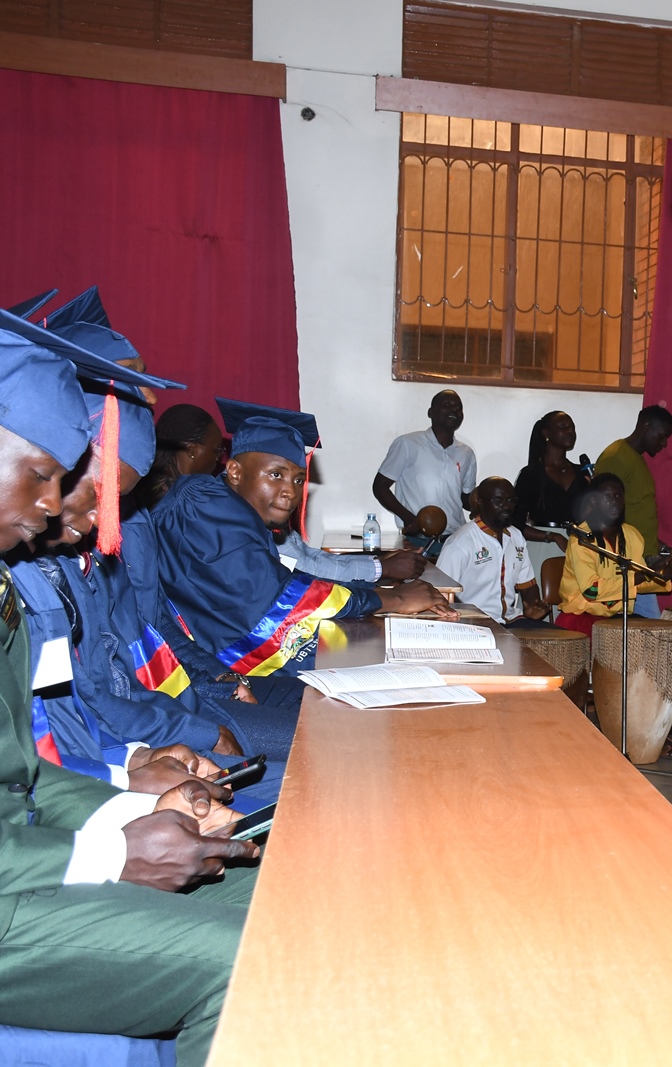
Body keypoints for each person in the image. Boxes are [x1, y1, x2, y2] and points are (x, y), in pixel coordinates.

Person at [0, 310, 258, 1065]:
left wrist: (139, 801)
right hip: (17, 902)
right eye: (45, 474)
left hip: (28, 866)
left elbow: (23, 779)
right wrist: (110, 851)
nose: (56, 506)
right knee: (256, 960)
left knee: (283, 897)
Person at [154, 399, 455, 681]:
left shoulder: (235, 512)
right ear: (234, 471)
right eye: (276, 475)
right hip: (214, 677)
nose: (291, 492)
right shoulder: (204, 504)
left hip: (223, 664)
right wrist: (395, 599)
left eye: (298, 479)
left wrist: (376, 591)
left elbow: (284, 577)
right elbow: (278, 596)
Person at [556, 474, 672, 635]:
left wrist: (669, 571)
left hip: (615, 620)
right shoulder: (582, 539)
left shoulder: (632, 536)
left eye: (618, 496)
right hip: (581, 619)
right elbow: (592, 590)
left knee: (655, 637)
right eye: (606, 497)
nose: (614, 502)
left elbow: (637, 584)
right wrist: (645, 574)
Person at [437, 476, 551, 627]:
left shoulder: (516, 537)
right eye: (498, 501)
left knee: (566, 642)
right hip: (472, 624)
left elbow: (528, 587)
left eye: (511, 501)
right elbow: (440, 594)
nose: (507, 506)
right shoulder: (460, 543)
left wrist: (533, 607)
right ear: (480, 502)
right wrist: (468, 617)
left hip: (511, 621)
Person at [594, 405, 672, 617]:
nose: (664, 444)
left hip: (642, 560)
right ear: (646, 426)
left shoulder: (635, 458)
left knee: (647, 633)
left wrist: (658, 545)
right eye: (662, 436)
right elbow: (604, 512)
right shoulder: (616, 457)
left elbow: (637, 509)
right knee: (650, 632)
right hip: (626, 562)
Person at [373, 389, 477, 552]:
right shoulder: (408, 444)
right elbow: (380, 486)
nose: (453, 410)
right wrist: (407, 518)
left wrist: (485, 501)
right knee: (418, 579)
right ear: (431, 412)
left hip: (456, 541)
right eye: (446, 405)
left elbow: (466, 499)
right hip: (416, 540)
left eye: (458, 407)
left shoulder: (466, 453)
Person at [513, 409, 588, 539]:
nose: (570, 431)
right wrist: (552, 537)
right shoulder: (530, 474)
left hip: (577, 544)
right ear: (546, 433)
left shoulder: (581, 473)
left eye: (572, 428)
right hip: (542, 545)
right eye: (563, 427)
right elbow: (516, 523)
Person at [137, 402, 223, 509]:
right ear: (192, 450)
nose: (218, 458)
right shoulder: (182, 504)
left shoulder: (140, 485)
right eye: (217, 449)